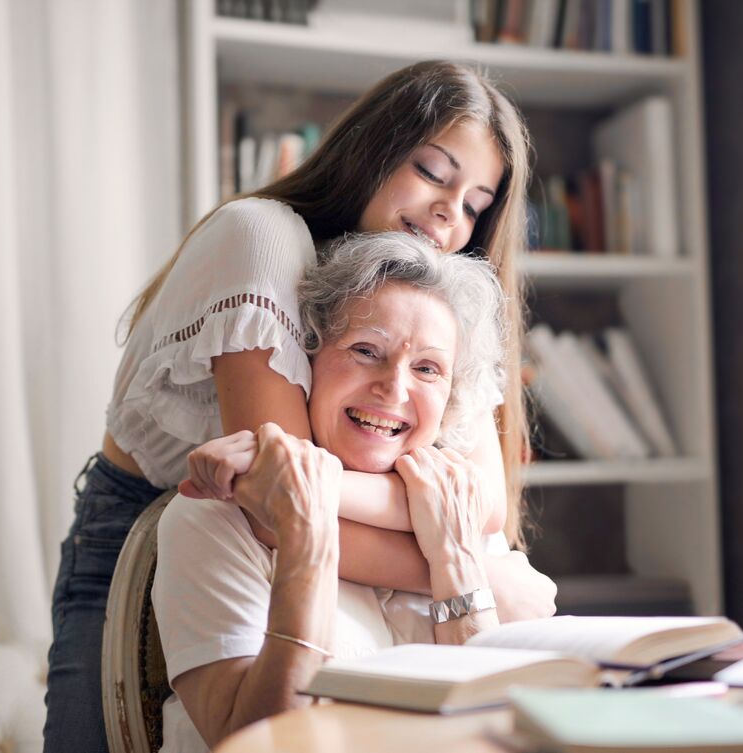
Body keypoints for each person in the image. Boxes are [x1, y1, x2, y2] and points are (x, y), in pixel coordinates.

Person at [43, 60, 554, 753]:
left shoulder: (441, 291)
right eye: (434, 172)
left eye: (475, 203)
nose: (449, 213)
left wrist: (454, 540)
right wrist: (469, 564)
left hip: (297, 540)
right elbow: (286, 499)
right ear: (371, 152)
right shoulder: (260, 237)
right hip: (159, 525)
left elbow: (484, 504)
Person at [155, 233, 518, 752]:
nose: (394, 389)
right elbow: (255, 743)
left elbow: (499, 733)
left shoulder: (460, 520)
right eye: (366, 351)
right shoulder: (214, 521)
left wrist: (458, 559)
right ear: (308, 359)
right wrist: (307, 530)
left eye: (427, 369)